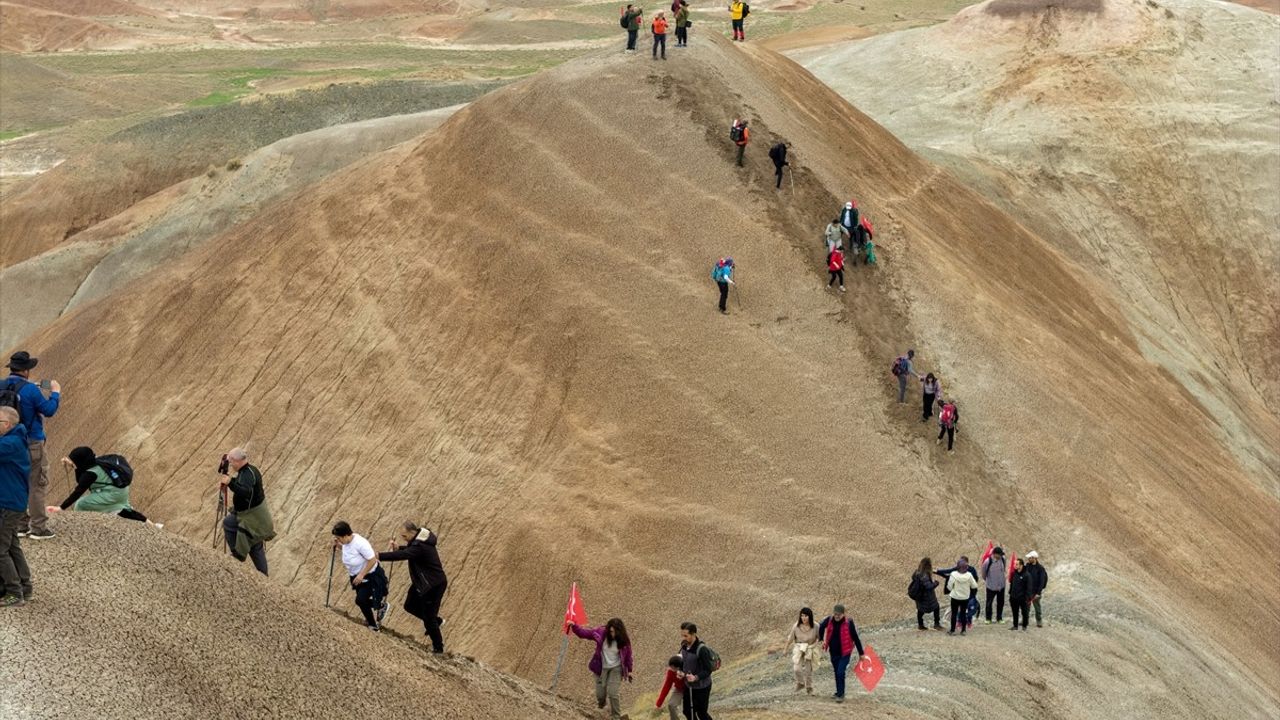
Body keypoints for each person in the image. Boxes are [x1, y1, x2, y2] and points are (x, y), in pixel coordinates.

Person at [3, 351, 61, 541]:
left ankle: (20, 524)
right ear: (26, 370)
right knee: (37, 483)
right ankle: (38, 528)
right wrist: (55, 393)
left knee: (16, 482)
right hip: (32, 441)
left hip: (8, 442)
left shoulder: (1, 385)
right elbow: (49, 410)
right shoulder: (30, 390)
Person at [379, 521, 449, 652]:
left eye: (404, 536)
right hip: (423, 582)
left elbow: (405, 555)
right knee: (409, 605)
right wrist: (399, 547)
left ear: (412, 532)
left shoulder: (420, 545)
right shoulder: (419, 541)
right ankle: (437, 620)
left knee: (429, 618)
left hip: (433, 585)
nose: (404, 539)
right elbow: (409, 551)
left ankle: (439, 649)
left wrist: (379, 556)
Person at [49, 447, 147, 521]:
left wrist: (61, 508)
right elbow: (81, 479)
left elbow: (78, 491)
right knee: (122, 509)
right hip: (120, 489)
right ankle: (152, 526)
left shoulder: (90, 474)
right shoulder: (95, 461)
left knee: (81, 504)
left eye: (74, 461)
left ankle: (81, 525)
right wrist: (73, 465)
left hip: (113, 493)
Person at [218, 447, 274, 576]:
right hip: (244, 514)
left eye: (231, 461)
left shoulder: (248, 474)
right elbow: (241, 485)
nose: (230, 464)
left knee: (255, 544)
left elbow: (245, 492)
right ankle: (237, 555)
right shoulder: (246, 471)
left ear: (237, 461)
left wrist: (230, 482)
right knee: (229, 523)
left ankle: (263, 577)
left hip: (254, 518)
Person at [568, 618, 634, 719]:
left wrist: (629, 671)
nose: (613, 634)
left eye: (616, 632)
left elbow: (628, 657)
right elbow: (584, 633)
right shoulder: (600, 633)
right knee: (600, 695)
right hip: (600, 667)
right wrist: (574, 626)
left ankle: (616, 717)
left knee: (613, 693)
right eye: (611, 631)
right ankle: (602, 709)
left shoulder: (624, 640)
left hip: (616, 669)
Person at [0, 407, 32, 607]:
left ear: (7, 424)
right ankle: (25, 587)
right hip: (14, 501)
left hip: (7, 503)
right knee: (12, 545)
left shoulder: (10, 443)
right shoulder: (15, 439)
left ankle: (14, 593)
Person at [332, 521, 389, 631]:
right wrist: (338, 546)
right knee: (362, 602)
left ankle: (380, 608)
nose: (338, 540)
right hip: (356, 576)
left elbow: (372, 560)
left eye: (339, 538)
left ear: (346, 535)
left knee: (360, 600)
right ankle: (372, 624)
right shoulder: (346, 543)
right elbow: (349, 551)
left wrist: (362, 575)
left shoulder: (361, 543)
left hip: (370, 575)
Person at [818, 604, 865, 703]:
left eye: (839, 614)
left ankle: (841, 694)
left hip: (845, 652)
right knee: (836, 672)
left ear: (843, 614)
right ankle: (838, 692)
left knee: (840, 672)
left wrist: (861, 653)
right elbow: (821, 627)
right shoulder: (829, 620)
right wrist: (821, 640)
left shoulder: (849, 623)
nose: (837, 616)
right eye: (835, 614)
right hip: (833, 652)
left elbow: (856, 638)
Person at [677, 622, 716, 720]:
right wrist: (680, 671)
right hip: (688, 686)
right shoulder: (684, 645)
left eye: (686, 635)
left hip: (702, 687)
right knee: (687, 712)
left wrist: (696, 677)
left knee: (701, 713)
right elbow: (683, 661)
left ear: (693, 634)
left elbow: (708, 670)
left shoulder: (702, 649)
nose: (683, 638)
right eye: (682, 635)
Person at [783, 607, 819, 694]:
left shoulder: (816, 626)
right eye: (802, 616)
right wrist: (785, 649)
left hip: (810, 648)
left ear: (810, 616)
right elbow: (790, 638)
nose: (803, 618)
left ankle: (809, 688)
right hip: (799, 648)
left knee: (808, 670)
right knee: (796, 668)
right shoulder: (796, 626)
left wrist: (815, 645)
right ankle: (800, 683)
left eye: (806, 616)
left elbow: (819, 637)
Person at [943, 557, 979, 634]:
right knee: (963, 613)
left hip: (955, 597)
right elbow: (974, 586)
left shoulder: (953, 574)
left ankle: (952, 630)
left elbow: (949, 587)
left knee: (954, 613)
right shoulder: (969, 575)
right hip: (965, 597)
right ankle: (963, 630)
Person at [909, 558, 942, 630]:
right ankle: (937, 624)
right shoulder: (924, 575)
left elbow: (913, 578)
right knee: (936, 608)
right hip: (927, 597)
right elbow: (929, 587)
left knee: (920, 610)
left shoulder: (917, 572)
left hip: (919, 597)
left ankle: (920, 625)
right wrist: (936, 583)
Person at [981, 546, 1007, 624]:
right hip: (991, 586)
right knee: (989, 603)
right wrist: (989, 581)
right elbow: (983, 574)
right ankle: (988, 618)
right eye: (999, 555)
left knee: (1000, 603)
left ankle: (999, 618)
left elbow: (1004, 569)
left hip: (1001, 586)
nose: (1001, 556)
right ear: (994, 554)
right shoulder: (987, 562)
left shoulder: (1003, 559)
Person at [656, 655, 686, 720]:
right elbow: (666, 687)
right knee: (671, 705)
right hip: (679, 689)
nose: (672, 669)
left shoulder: (686, 667)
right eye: (670, 667)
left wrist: (684, 676)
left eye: (673, 668)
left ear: (679, 667)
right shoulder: (670, 672)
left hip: (690, 689)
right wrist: (659, 703)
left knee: (688, 710)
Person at [1026, 550, 1049, 628]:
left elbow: (1042, 582)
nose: (1028, 559)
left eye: (1030, 558)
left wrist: (1038, 593)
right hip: (1028, 591)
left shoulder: (1040, 568)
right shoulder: (1027, 566)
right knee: (1026, 606)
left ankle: (1039, 621)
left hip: (1036, 592)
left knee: (1037, 607)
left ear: (1034, 558)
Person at [1008, 557, 1030, 631]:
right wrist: (1010, 594)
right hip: (1014, 597)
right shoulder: (1014, 573)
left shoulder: (1027, 575)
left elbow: (1029, 588)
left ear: (1021, 565)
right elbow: (1012, 584)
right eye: (1015, 564)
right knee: (1015, 612)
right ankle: (1015, 625)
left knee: (1024, 612)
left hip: (1022, 598)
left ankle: (1024, 626)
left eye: (1017, 564)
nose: (1015, 565)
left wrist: (1027, 598)